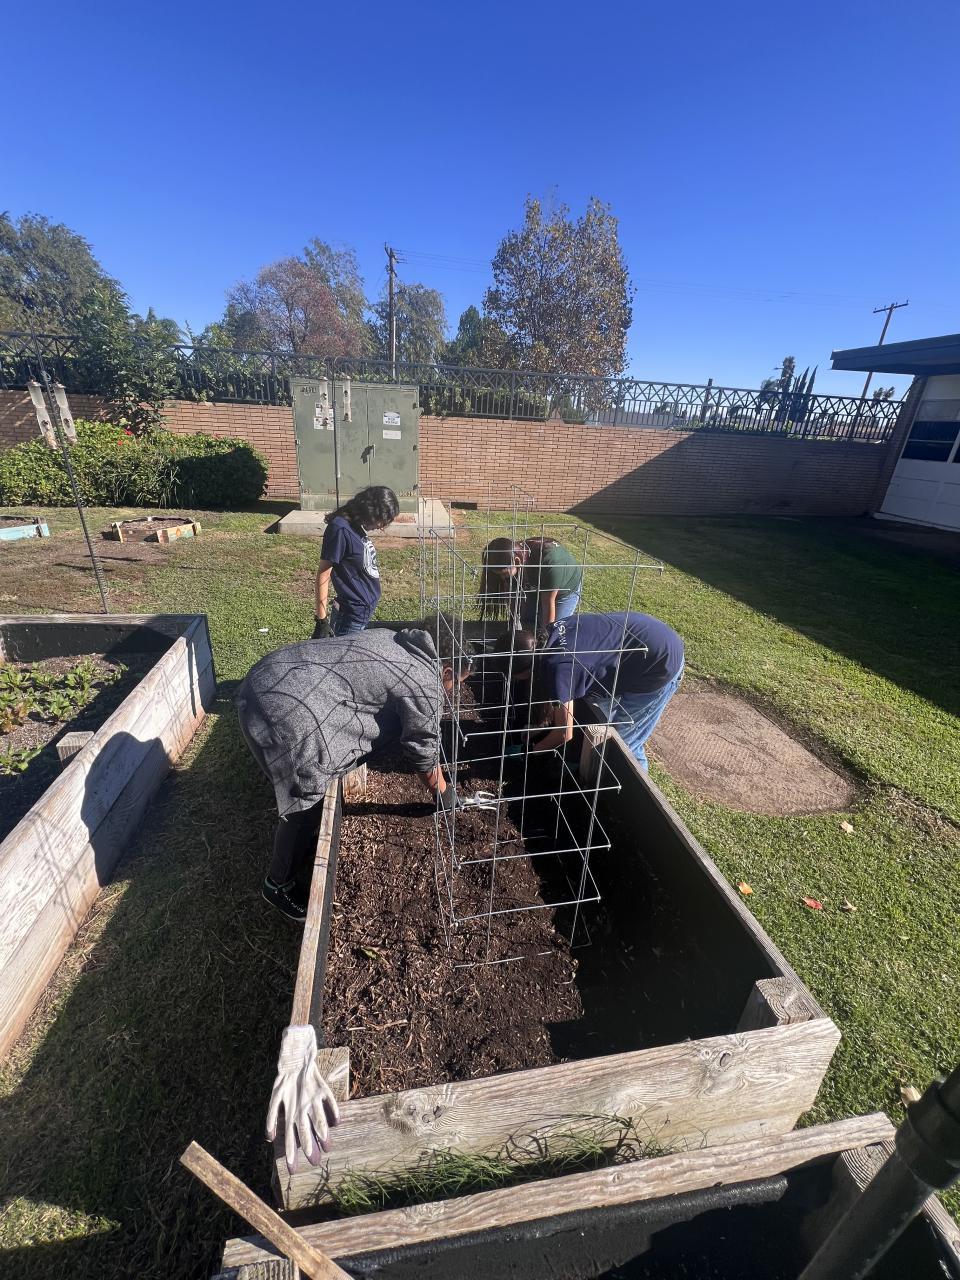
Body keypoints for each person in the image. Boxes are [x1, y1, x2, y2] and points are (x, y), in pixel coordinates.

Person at [237, 616, 473, 925]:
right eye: (457, 684)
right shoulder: (425, 681)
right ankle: (278, 885)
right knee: (307, 800)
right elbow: (423, 750)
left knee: (297, 771)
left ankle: (280, 776)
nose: (453, 692)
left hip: (267, 675)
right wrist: (444, 793)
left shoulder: (391, 637)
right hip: (287, 709)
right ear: (447, 671)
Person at [499, 611, 684, 770]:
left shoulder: (560, 670)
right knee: (600, 721)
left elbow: (564, 734)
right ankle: (588, 762)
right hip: (645, 633)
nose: (513, 679)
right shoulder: (546, 636)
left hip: (659, 662)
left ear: (525, 669)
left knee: (624, 745)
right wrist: (540, 730)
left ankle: (635, 793)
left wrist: (529, 752)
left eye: (512, 674)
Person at [312, 486, 399, 638]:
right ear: (371, 511)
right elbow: (323, 574)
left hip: (360, 613)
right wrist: (322, 621)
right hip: (351, 616)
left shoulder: (354, 525)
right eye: (382, 521)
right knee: (343, 653)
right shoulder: (340, 529)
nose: (381, 526)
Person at [478, 536, 582, 632]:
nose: (502, 577)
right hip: (534, 583)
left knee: (555, 630)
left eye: (504, 574)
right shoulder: (509, 554)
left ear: (517, 562)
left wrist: (546, 636)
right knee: (526, 622)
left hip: (564, 591)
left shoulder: (551, 564)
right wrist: (515, 622)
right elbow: (513, 599)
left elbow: (548, 604)